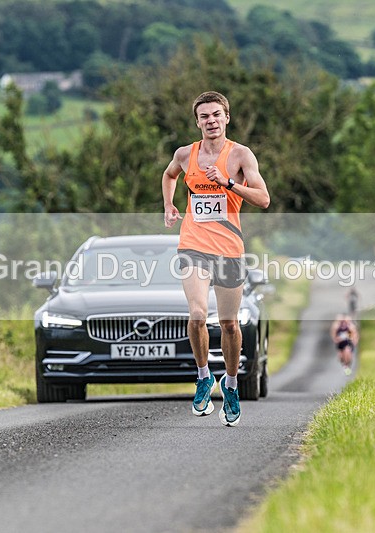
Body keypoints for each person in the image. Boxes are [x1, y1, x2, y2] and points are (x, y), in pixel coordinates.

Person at [162, 91, 270, 427]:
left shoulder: (240, 155)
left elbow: (264, 199)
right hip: (193, 245)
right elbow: (169, 176)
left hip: (229, 249)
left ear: (226, 118)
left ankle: (232, 384)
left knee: (229, 324)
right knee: (196, 315)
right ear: (197, 122)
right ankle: (204, 376)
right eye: (204, 116)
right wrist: (169, 205)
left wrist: (228, 184)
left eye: (216, 115)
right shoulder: (185, 154)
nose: (210, 121)